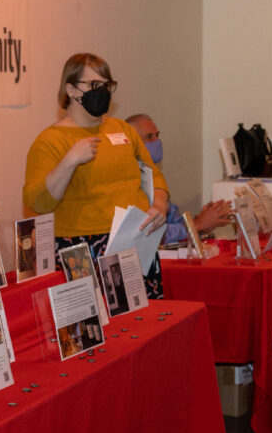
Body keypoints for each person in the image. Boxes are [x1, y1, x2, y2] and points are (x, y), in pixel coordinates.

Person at [22, 53, 168, 298]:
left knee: (143, 325)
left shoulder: (122, 130)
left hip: (134, 241)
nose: (102, 92)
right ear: (70, 89)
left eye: (106, 85)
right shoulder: (50, 140)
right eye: (93, 85)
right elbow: (37, 201)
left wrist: (160, 205)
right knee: (99, 330)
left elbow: (154, 176)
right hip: (82, 247)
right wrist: (69, 162)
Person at [124, 113, 232, 243]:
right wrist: (197, 224)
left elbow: (175, 222)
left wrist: (205, 221)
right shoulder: (127, 183)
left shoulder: (155, 179)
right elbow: (149, 234)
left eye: (157, 135)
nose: (157, 141)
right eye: (149, 137)